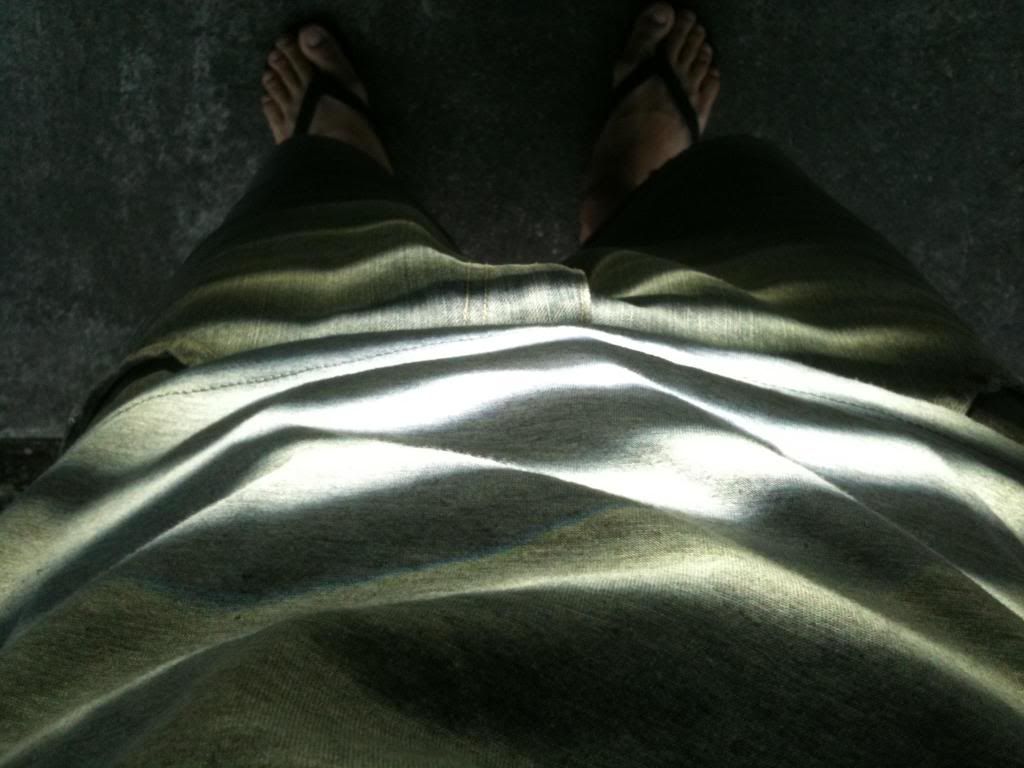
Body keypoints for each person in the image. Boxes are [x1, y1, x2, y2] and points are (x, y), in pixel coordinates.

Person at [2, 3, 1023, 765]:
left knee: (303, 273)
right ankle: (635, 198)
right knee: (760, 248)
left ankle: (344, 170)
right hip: (863, 471)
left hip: (243, 510)